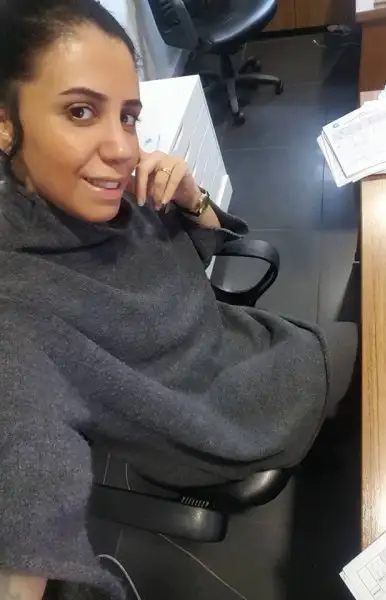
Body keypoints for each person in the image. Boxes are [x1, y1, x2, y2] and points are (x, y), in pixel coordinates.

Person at [0, 1, 357, 600]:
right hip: (215, 421)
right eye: (81, 111)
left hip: (242, 347)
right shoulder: (16, 307)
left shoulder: (111, 192)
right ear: (6, 123)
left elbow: (207, 246)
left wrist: (192, 197)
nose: (121, 148)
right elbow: (28, 488)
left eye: (128, 117)